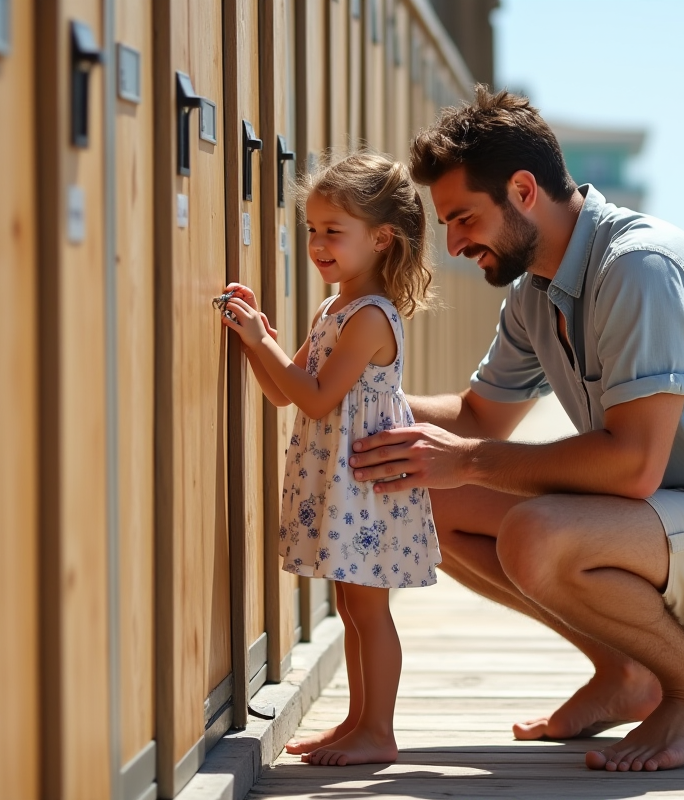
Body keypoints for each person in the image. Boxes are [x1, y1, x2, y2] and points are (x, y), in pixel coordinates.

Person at [346, 87, 684, 772]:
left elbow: (633, 465)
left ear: (523, 191)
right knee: (427, 495)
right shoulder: (535, 292)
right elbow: (478, 417)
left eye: (463, 219)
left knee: (537, 532)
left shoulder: (638, 266)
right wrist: (342, 396)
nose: (456, 246)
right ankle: (626, 672)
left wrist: (471, 461)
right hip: (671, 530)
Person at [219, 152, 440, 767]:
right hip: (342, 478)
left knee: (369, 610)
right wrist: (256, 333)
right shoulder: (331, 308)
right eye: (312, 229)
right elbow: (284, 389)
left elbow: (315, 400)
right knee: (351, 605)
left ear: (381, 238)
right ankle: (356, 722)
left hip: (366, 481)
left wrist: (263, 341)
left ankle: (380, 731)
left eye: (333, 232)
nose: (317, 243)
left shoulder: (369, 317)